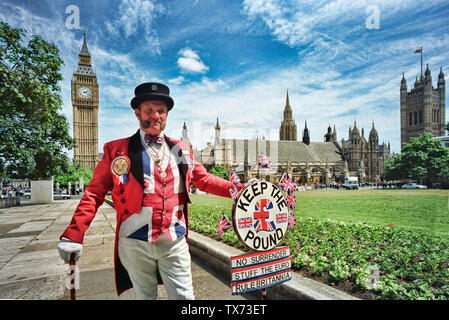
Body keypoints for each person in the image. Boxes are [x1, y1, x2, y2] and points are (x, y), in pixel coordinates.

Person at [58, 82, 244, 299]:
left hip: (174, 240)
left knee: (185, 297)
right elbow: (94, 193)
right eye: (149, 110)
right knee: (145, 296)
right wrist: (74, 233)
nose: (156, 115)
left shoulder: (180, 149)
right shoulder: (117, 149)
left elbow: (203, 179)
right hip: (134, 242)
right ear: (137, 113)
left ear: (166, 115)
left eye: (161, 111)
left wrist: (238, 190)